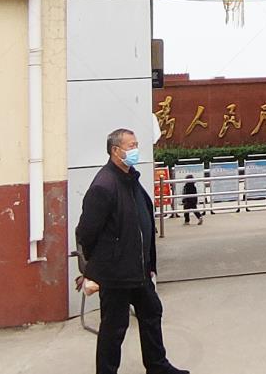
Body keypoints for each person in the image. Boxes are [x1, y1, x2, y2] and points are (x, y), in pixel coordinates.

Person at [75, 128, 187, 374]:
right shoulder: (104, 185)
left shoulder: (131, 180)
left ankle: (157, 366)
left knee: (151, 313)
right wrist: (100, 266)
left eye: (136, 144)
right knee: (114, 327)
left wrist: (149, 265)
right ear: (116, 151)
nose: (136, 150)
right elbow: (86, 232)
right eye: (131, 145)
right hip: (116, 273)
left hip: (138, 270)